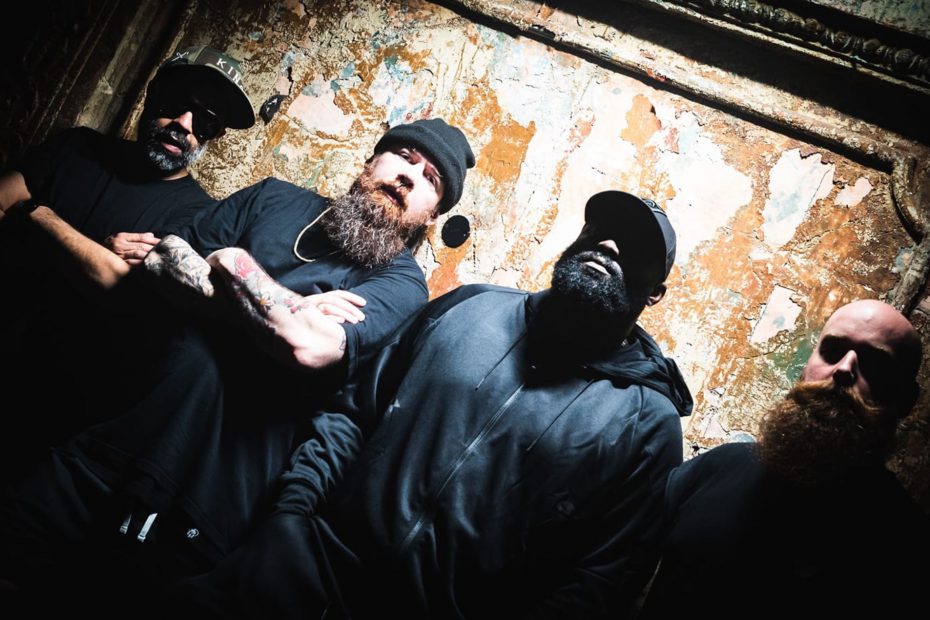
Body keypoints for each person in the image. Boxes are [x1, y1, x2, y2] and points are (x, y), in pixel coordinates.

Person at [0, 117, 476, 611]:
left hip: (202, 510)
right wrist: (279, 308)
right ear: (371, 161)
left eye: (431, 180)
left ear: (430, 216)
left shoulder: (402, 285)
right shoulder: (273, 197)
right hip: (105, 445)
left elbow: (305, 345)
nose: (409, 176)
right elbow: (162, 261)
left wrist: (227, 263)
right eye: (405, 157)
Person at [176, 190, 694, 619]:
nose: (607, 243)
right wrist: (291, 512)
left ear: (656, 293)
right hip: (300, 567)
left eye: (634, 245)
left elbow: (601, 583)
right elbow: (355, 410)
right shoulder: (471, 305)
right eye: (598, 229)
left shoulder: (648, 424)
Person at [0, 45, 256, 483]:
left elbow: (118, 286)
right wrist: (91, 248)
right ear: (152, 95)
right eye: (176, 103)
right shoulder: (77, 147)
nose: (184, 124)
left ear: (214, 135)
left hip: (57, 408)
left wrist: (34, 213)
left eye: (205, 120)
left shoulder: (200, 218)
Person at [638, 299, 930, 619]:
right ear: (807, 364)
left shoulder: (909, 551)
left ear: (906, 401)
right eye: (832, 350)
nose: (844, 368)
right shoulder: (716, 468)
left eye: (875, 364)